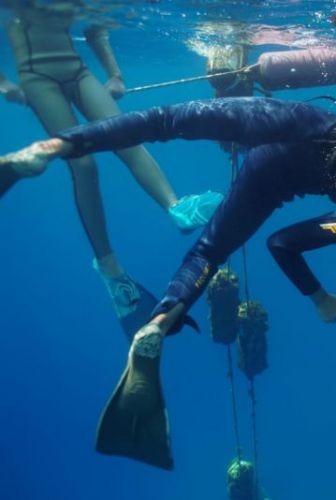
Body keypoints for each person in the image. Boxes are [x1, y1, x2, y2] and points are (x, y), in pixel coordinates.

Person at [0, 96, 336, 469]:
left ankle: (56, 146)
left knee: (167, 121)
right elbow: (281, 243)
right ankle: (160, 320)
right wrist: (319, 298)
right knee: (210, 252)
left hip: (291, 120)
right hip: (270, 175)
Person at [0, 0, 222, 334]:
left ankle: (175, 206)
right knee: (83, 165)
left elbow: (96, 28)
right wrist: (4, 84)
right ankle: (109, 266)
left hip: (77, 70)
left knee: (127, 137)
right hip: (37, 76)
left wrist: (115, 74)